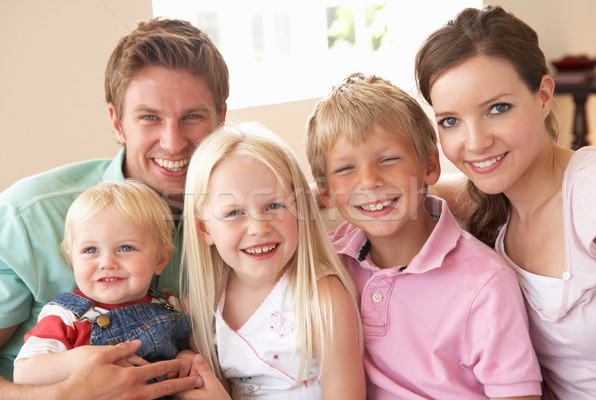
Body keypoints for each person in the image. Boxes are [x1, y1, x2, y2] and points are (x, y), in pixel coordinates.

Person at [0, 16, 228, 396]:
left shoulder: (240, 216)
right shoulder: (29, 215)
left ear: (221, 118)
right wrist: (60, 395)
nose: (173, 143)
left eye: (192, 116)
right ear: (117, 122)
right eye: (149, 118)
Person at [306, 72, 542, 400]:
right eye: (346, 169)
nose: (369, 181)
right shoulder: (327, 261)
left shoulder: (486, 282)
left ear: (430, 164)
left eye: (388, 159)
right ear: (325, 192)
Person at [414, 6, 596, 400]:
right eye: (450, 121)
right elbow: (403, 188)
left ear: (544, 96)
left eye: (497, 109)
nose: (476, 142)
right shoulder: (490, 203)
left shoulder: (590, 194)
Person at [180, 123, 365, 399]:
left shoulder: (321, 298)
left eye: (274, 206)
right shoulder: (202, 308)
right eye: (233, 213)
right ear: (205, 229)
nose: (258, 228)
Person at [13, 180, 192, 385]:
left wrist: (184, 357)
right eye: (91, 250)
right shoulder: (67, 316)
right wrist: (83, 358)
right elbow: (25, 373)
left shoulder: (168, 306)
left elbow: (184, 347)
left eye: (125, 248)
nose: (107, 263)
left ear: (161, 259)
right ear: (72, 260)